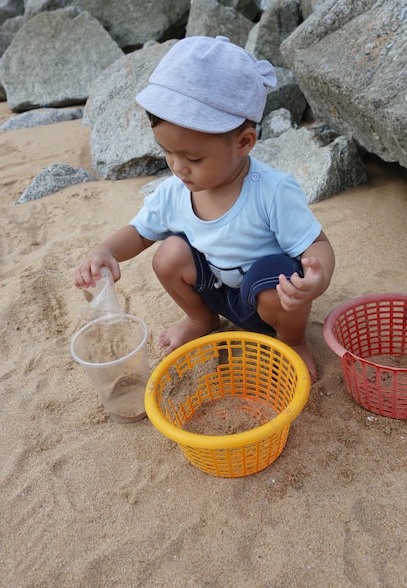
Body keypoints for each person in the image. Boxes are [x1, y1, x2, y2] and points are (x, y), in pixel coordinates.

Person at [74, 36, 335, 382]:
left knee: (270, 273)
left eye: (193, 158)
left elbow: (317, 244)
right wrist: (106, 250)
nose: (178, 168)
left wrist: (317, 279)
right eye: (167, 152)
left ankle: (294, 341)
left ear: (243, 142)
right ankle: (201, 319)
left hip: (272, 303)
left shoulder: (272, 191)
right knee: (168, 254)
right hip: (217, 293)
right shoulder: (176, 192)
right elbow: (139, 232)